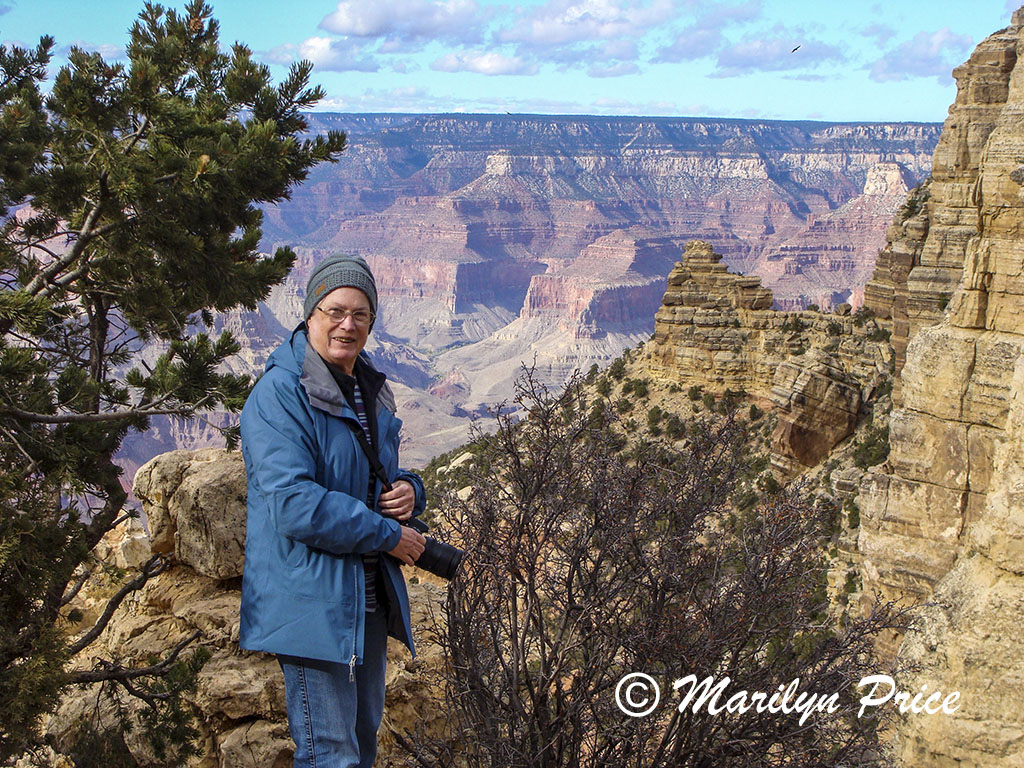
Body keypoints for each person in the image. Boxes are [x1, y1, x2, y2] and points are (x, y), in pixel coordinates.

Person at [239, 254, 427, 768]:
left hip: (362, 599)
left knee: (362, 742)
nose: (348, 325)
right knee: (331, 754)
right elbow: (293, 504)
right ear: (309, 314)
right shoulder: (281, 393)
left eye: (360, 314)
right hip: (311, 600)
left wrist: (411, 490)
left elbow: (375, 475)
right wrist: (387, 535)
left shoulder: (366, 386)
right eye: (335, 311)